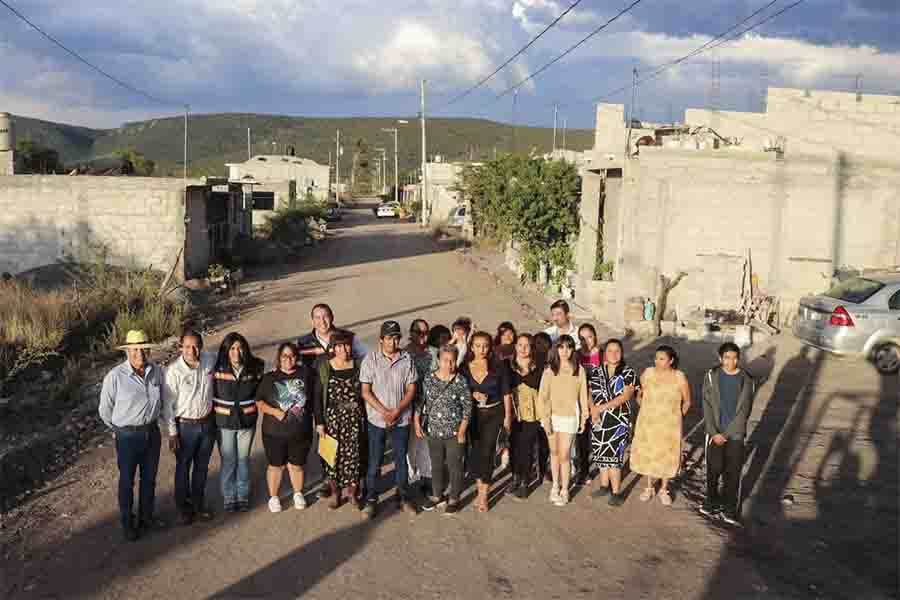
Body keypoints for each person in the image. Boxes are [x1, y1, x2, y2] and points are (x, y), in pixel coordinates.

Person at [99, 329, 164, 541]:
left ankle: (147, 518)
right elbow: (105, 410)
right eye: (135, 350)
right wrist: (119, 430)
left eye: (144, 349)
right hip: (127, 437)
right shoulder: (115, 377)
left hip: (152, 433)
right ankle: (128, 523)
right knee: (127, 481)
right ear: (127, 351)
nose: (140, 354)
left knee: (149, 479)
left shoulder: (157, 371)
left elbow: (162, 400)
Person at [360, 321, 419, 517]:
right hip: (377, 420)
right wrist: (385, 411)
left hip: (401, 419)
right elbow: (366, 392)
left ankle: (403, 496)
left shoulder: (407, 359)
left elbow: (411, 388)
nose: (393, 342)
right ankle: (371, 498)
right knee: (375, 460)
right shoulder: (371, 359)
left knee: (401, 459)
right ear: (381, 340)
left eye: (396, 337)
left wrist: (398, 410)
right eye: (389, 338)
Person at [161, 329, 216, 525]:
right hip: (185, 428)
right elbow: (167, 404)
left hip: (208, 423)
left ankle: (199, 505)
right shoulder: (174, 371)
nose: (191, 350)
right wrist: (173, 433)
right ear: (180, 347)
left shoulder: (210, 360)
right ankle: (183, 508)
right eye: (186, 346)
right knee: (183, 467)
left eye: (195, 346)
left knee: (201, 468)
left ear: (201, 346)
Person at [256, 342, 315, 513]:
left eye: (291, 356)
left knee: (297, 465)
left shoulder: (306, 374)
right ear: (279, 359)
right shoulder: (269, 378)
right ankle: (274, 497)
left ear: (296, 357)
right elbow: (259, 401)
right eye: (284, 356)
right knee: (276, 465)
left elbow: (314, 399)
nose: (288, 359)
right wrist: (274, 411)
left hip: (300, 432)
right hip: (274, 433)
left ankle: (298, 493)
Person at [701, 342, 755, 525]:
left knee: (733, 472)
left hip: (735, 434)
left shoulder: (747, 379)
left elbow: (745, 410)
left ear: (738, 359)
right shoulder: (711, 376)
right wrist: (713, 431)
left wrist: (728, 433)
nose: (730, 361)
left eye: (734, 357)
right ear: (720, 358)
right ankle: (711, 502)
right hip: (714, 432)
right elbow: (706, 405)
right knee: (713, 469)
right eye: (726, 357)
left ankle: (729, 509)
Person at [631, 345, 692, 506]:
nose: (658, 361)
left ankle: (664, 489)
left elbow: (687, 401)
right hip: (649, 421)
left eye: (662, 358)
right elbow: (639, 394)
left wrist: (678, 418)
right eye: (656, 358)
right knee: (649, 452)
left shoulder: (679, 377)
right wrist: (643, 408)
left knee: (667, 454)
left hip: (669, 425)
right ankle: (649, 487)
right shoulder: (648, 373)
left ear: (671, 360)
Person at [416, 343, 472, 514]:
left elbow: (467, 408)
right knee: (437, 465)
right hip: (434, 432)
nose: (449, 364)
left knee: (455, 466)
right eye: (445, 360)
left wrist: (462, 431)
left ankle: (454, 498)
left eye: (452, 361)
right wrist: (416, 423)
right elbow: (421, 402)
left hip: (455, 433)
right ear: (438, 360)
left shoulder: (460, 381)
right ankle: (436, 495)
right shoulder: (429, 379)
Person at [212, 332, 265, 512]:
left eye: (239, 348)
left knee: (243, 460)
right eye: (232, 348)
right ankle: (228, 495)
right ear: (226, 350)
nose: (236, 352)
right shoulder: (217, 368)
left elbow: (261, 391)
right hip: (224, 422)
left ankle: (242, 495)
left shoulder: (256, 367)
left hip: (246, 421)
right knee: (228, 460)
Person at [313, 330, 366, 510]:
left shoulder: (358, 365)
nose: (344, 349)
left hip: (354, 420)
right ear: (333, 348)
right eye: (339, 345)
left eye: (347, 344)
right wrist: (319, 422)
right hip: (332, 421)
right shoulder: (325, 368)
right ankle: (336, 494)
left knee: (354, 458)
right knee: (331, 458)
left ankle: (351, 493)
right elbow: (317, 397)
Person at [461, 331, 512, 513]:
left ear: (490, 347)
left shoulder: (498, 366)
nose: (481, 349)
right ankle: (480, 487)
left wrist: (507, 417)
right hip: (474, 415)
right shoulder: (465, 367)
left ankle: (483, 495)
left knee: (488, 451)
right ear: (472, 347)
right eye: (477, 345)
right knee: (476, 452)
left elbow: (506, 393)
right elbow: (460, 391)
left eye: (485, 345)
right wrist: (472, 394)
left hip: (495, 413)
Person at [537, 335, 590, 506]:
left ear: (573, 349)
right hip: (552, 416)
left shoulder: (579, 370)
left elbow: (583, 396)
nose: (564, 351)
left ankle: (565, 489)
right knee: (554, 453)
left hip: (570, 417)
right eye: (561, 347)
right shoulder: (549, 369)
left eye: (568, 347)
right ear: (556, 349)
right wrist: (545, 418)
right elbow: (542, 396)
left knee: (565, 454)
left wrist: (583, 417)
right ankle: (555, 486)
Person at [587, 338, 639, 506]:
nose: (614, 354)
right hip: (598, 418)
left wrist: (599, 409)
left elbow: (625, 396)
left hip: (618, 420)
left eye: (617, 350)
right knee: (600, 454)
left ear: (622, 353)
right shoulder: (597, 371)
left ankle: (616, 492)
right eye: (610, 350)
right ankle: (604, 485)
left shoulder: (628, 372)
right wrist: (592, 409)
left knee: (615, 457)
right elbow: (589, 392)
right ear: (604, 353)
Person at [508, 333, 543, 499]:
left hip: (533, 412)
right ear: (515, 347)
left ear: (532, 348)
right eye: (520, 345)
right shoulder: (508, 366)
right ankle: (514, 476)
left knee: (527, 447)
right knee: (514, 446)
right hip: (514, 412)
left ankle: (524, 481)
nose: (523, 349)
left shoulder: (539, 367)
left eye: (527, 345)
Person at [405, 319, 433, 493]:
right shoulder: (404, 354)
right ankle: (410, 474)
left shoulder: (433, 353)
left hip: (429, 405)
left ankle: (426, 477)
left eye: (426, 333)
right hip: (409, 405)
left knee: (426, 444)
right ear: (411, 333)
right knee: (411, 444)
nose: (423, 336)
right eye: (419, 332)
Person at [574, 324, 602, 485]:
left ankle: (606, 470)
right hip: (581, 402)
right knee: (582, 438)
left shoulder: (604, 354)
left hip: (601, 402)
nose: (586, 341)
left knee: (600, 437)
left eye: (589, 336)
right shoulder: (576, 355)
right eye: (582, 338)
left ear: (595, 336)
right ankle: (583, 471)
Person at [531, 331, 553, 481]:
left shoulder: (551, 365)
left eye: (544, 344)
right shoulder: (530, 363)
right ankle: (534, 467)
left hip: (548, 408)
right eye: (538, 343)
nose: (541, 347)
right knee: (532, 441)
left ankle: (544, 468)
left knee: (545, 440)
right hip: (532, 407)